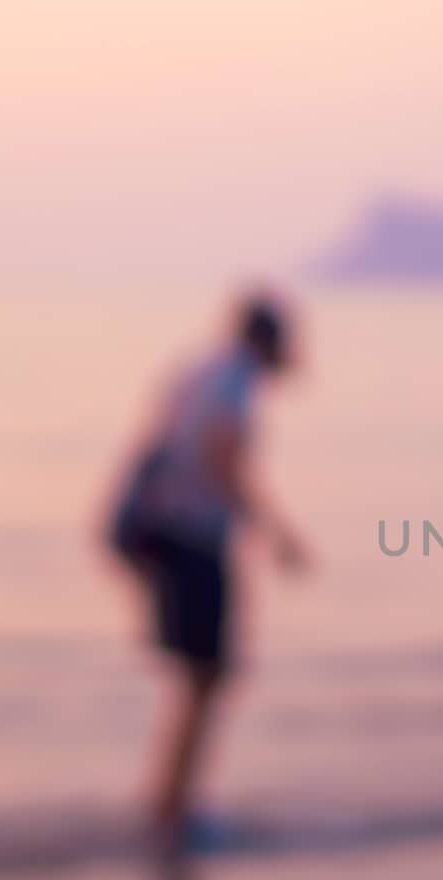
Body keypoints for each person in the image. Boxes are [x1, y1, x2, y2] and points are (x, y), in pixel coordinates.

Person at [108, 292, 308, 848]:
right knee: (207, 676)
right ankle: (177, 813)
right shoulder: (234, 383)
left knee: (196, 678)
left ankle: (167, 802)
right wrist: (278, 534)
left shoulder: (196, 370)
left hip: (167, 532)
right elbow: (224, 458)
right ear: (267, 341)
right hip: (195, 539)